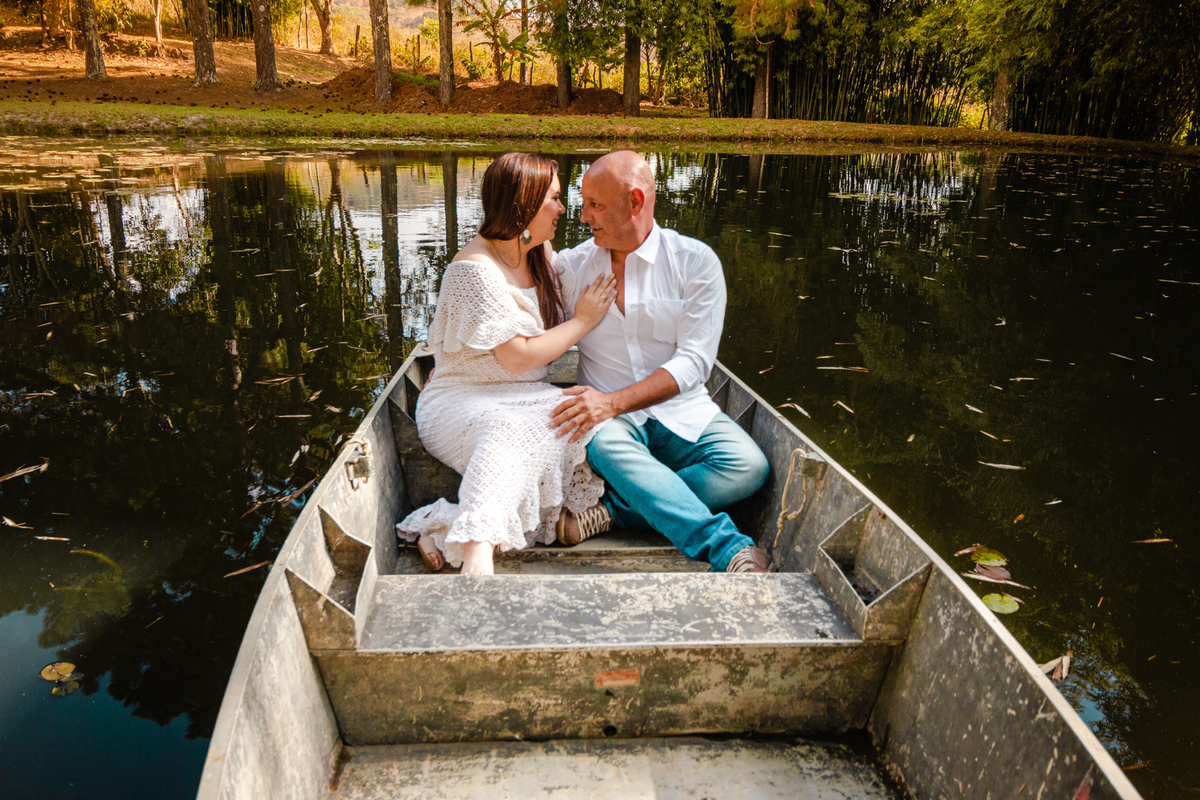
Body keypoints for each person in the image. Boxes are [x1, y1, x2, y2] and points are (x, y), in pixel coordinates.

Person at [550, 150, 772, 573]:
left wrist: (612, 402)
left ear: (635, 202)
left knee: (749, 467)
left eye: (595, 205)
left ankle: (615, 511)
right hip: (610, 429)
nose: (583, 217)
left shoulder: (695, 262)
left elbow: (694, 364)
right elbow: (526, 323)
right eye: (583, 204)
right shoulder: (571, 268)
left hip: (680, 414)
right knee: (605, 441)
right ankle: (727, 548)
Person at [397, 152, 618, 575]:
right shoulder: (474, 270)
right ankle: (478, 552)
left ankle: (443, 525)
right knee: (507, 430)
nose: (562, 207)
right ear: (525, 203)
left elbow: (576, 274)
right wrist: (584, 321)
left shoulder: (537, 250)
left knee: (585, 419)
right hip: (460, 401)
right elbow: (517, 358)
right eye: (553, 198)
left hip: (527, 396)